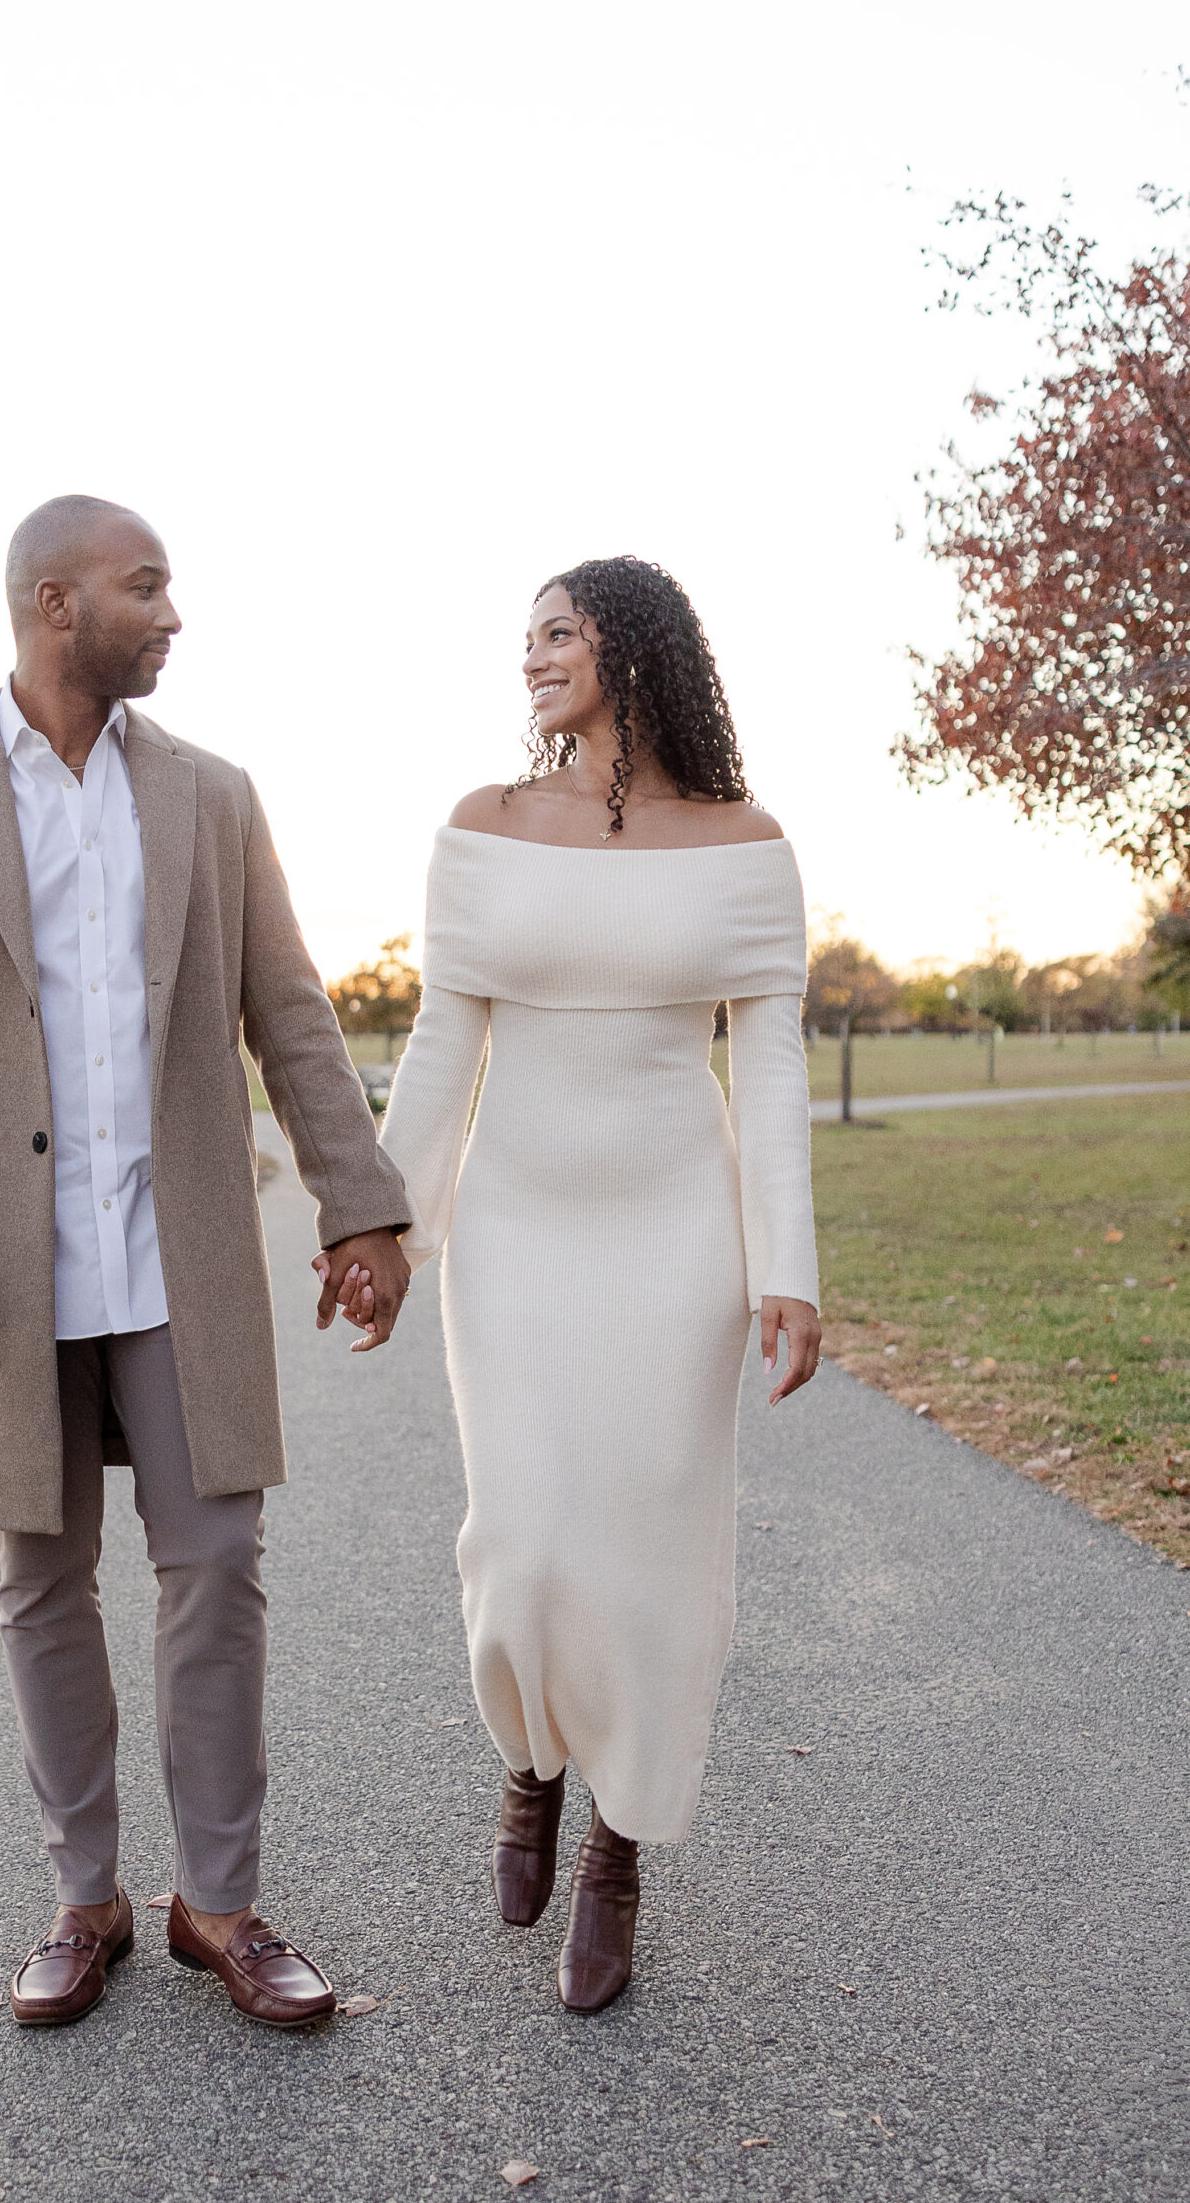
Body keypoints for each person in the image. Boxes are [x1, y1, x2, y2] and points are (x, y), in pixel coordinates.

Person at [0, 494, 411, 2030]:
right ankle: (85, 1900)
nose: (172, 613)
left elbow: (288, 1009)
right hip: (2, 1270)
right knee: (40, 1577)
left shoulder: (211, 797)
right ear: (51, 602)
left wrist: (360, 1201)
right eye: (146, 586)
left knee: (214, 1565)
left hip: (175, 1249)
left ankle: (217, 1903)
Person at [373, 554, 820, 2013]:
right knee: (522, 1537)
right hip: (514, 1232)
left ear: (631, 649)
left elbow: (762, 1071)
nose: (530, 659)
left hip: (673, 1231)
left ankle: (618, 1849)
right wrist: (383, 1227)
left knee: (646, 1549)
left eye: (555, 633)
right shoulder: (483, 829)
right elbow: (443, 1043)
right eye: (524, 638)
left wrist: (786, 1273)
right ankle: (528, 1767)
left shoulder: (745, 844)